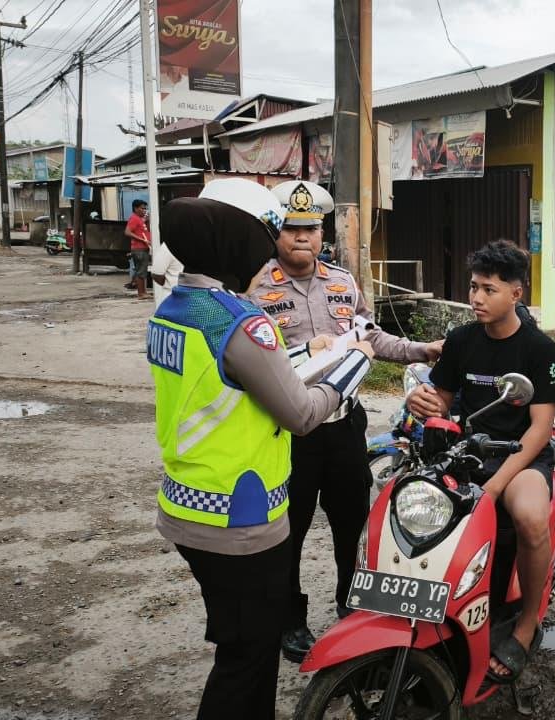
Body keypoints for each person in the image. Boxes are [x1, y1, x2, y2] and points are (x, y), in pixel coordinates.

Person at [148, 178, 376, 720]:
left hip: (185, 501)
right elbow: (299, 413)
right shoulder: (242, 321)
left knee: (238, 644)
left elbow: (233, 387)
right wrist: (354, 364)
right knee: (247, 660)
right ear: (239, 246)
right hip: (238, 514)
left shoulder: (173, 310)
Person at [249, 179, 444, 663]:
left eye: (311, 228)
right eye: (292, 228)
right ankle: (289, 620)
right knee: (287, 531)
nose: (302, 238)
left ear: (322, 233)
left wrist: (424, 349)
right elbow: (253, 356)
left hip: (343, 428)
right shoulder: (255, 288)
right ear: (276, 233)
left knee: (352, 526)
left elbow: (372, 338)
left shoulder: (343, 282)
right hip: (290, 434)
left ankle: (350, 605)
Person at [406, 239, 555, 683]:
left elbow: (539, 428)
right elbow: (439, 399)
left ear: (516, 293)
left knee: (530, 517)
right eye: (474, 287)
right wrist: (421, 401)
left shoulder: (539, 348)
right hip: (467, 452)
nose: (476, 298)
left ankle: (526, 623)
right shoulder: (460, 340)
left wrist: (497, 485)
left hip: (520, 457)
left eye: (489, 289)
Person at [125, 199, 151, 299]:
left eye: (145, 208)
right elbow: (127, 232)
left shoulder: (140, 219)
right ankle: (141, 293)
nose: (144, 210)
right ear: (136, 208)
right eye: (142, 208)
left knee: (142, 271)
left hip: (143, 248)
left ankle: (143, 292)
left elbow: (145, 231)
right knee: (141, 271)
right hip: (139, 248)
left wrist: (147, 221)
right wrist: (143, 240)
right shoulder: (134, 218)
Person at [149, 239, 184, 307]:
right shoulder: (168, 247)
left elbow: (156, 274)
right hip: (173, 295)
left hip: (174, 294)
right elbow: (157, 274)